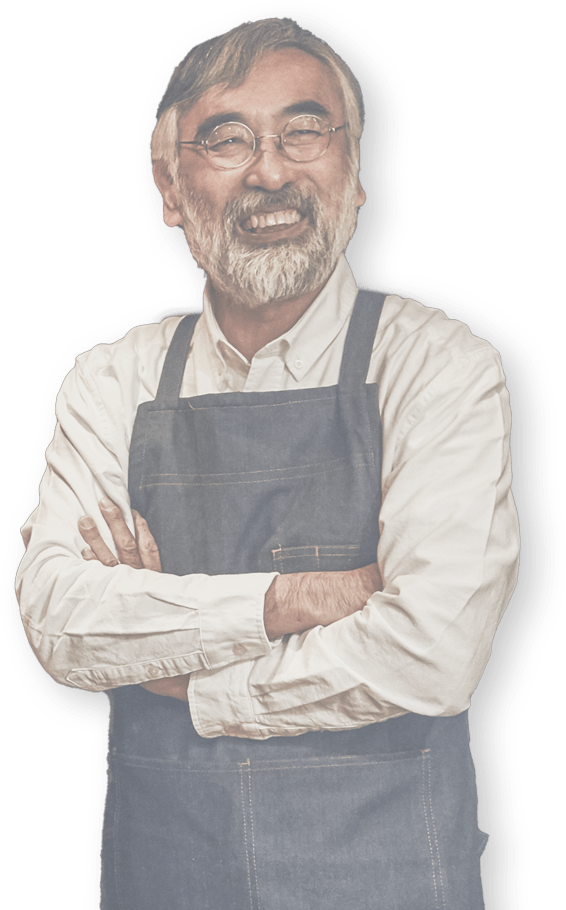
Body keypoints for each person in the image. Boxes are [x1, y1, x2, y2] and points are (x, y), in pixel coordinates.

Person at [15, 16, 519, 910]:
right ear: (170, 189)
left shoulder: (441, 367)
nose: (271, 171)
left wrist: (182, 673)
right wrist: (291, 600)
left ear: (356, 172)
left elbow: (432, 648)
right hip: (163, 880)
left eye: (304, 131)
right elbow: (58, 624)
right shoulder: (110, 381)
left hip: (393, 884)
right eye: (227, 139)